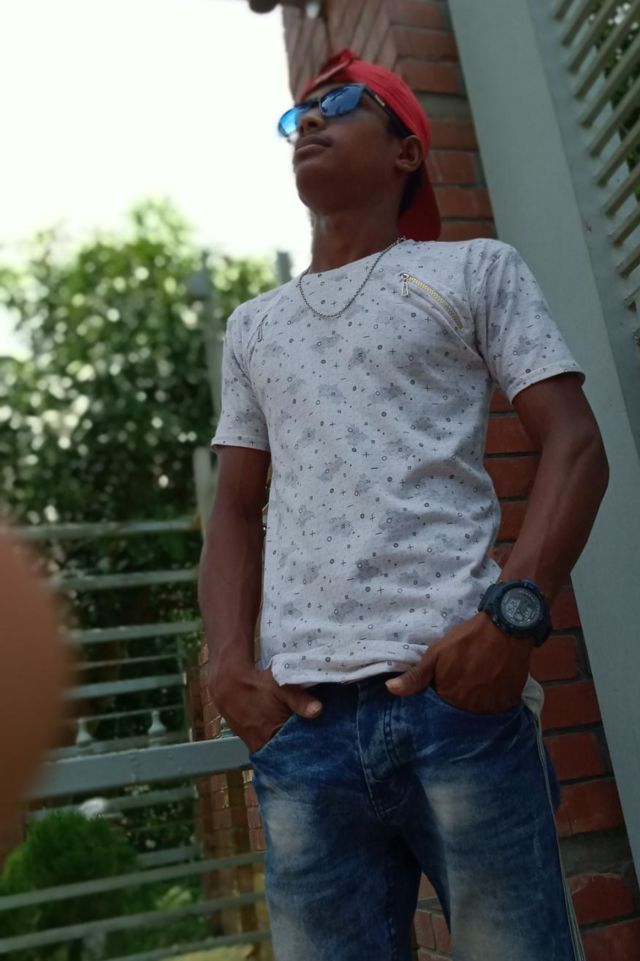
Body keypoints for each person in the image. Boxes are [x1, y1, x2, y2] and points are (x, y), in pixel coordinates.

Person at [198, 48, 608, 961]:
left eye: (339, 103)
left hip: (456, 704)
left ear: (408, 152)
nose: (308, 120)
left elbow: (576, 444)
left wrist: (511, 620)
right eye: (296, 115)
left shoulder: (474, 270)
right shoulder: (253, 326)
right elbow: (233, 508)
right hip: (300, 731)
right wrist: (229, 668)